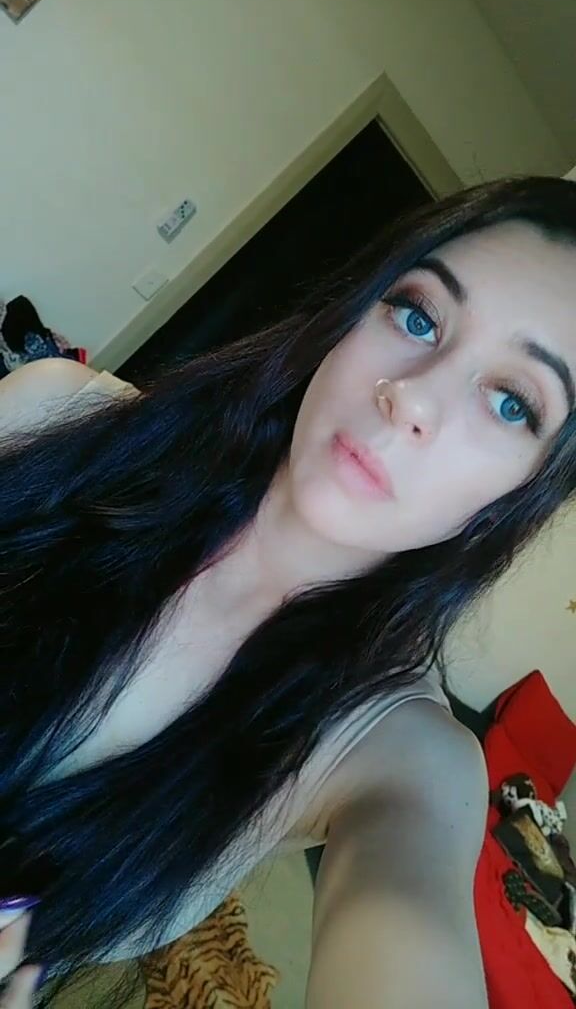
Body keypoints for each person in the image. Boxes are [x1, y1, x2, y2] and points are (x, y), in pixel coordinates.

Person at [1, 175, 576, 1009]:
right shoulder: (46, 415)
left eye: (511, 402)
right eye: (417, 316)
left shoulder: (396, 752)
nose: (412, 397)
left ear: (524, 493)